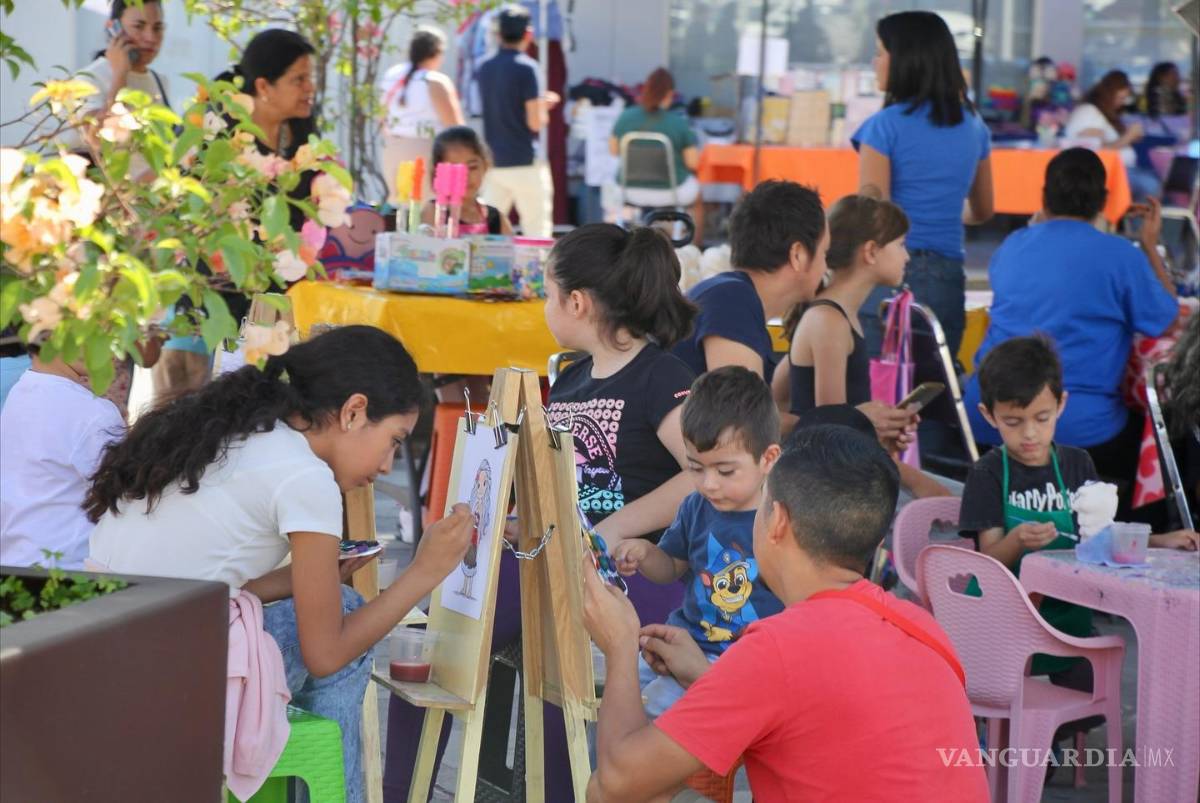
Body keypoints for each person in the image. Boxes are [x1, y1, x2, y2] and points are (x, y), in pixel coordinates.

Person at [86, 326, 474, 803]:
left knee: (320, 606)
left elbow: (198, 579)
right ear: (353, 412)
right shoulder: (305, 477)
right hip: (163, 678)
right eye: (394, 440)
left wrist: (294, 581)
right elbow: (326, 654)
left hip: (101, 655)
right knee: (346, 625)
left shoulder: (235, 429)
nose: (386, 463)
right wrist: (424, 573)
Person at [384, 223, 697, 801]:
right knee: (436, 649)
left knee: (535, 657)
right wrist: (517, 520)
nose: (545, 307)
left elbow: (702, 474)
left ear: (576, 302)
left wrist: (603, 531)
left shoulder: (662, 376)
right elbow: (556, 485)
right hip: (556, 563)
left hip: (631, 575)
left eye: (549, 294)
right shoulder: (572, 377)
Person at [581, 425, 989, 802]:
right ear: (876, 538)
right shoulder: (922, 627)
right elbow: (816, 723)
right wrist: (705, 679)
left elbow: (614, 786)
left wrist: (619, 646)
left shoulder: (777, 649)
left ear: (776, 520)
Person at [960, 337, 1196, 682]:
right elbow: (988, 562)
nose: (1030, 434)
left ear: (1061, 405)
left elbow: (1100, 540)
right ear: (989, 416)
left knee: (1094, 686)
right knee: (1022, 707)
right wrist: (1016, 541)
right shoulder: (987, 474)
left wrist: (1162, 541)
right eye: (1013, 421)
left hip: (1068, 617)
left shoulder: (1076, 464)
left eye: (1041, 418)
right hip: (1006, 626)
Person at [964, 149, 1178, 509]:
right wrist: (1150, 247)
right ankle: (1144, 538)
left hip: (988, 418)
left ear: (1044, 196)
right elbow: (1166, 319)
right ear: (1104, 202)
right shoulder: (1118, 254)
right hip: (1075, 429)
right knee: (1165, 434)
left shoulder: (1013, 245)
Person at [155, 29, 323, 402]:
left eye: (310, 78)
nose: (309, 88)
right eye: (298, 79)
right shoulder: (217, 137)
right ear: (264, 86)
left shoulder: (303, 138)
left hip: (275, 307)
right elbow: (186, 217)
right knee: (191, 420)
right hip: (211, 300)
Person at [612, 366, 783, 717]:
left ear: (767, 459)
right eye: (695, 467)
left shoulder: (781, 520)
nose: (709, 484)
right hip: (682, 641)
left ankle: (632, 768)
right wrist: (646, 553)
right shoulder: (695, 506)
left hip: (740, 664)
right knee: (617, 694)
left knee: (653, 713)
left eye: (724, 471)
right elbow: (671, 567)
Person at [773, 194, 947, 497]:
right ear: (871, 251)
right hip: (828, 486)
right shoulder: (829, 321)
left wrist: (882, 433)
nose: (907, 256)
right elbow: (834, 430)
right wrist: (918, 481)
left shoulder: (835, 316)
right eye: (901, 244)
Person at [854, 10, 994, 362]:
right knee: (934, 395)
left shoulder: (882, 127)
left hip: (890, 276)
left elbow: (874, 218)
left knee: (882, 398)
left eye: (880, 52)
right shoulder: (974, 125)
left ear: (904, 61)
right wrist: (940, 210)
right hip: (948, 277)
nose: (875, 62)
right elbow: (983, 210)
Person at [671, 180, 828, 387]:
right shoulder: (732, 302)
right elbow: (738, 416)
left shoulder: (732, 295)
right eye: (824, 253)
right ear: (797, 255)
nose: (825, 267)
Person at [0, 348, 125, 569]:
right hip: (72, 571)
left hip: (15, 564)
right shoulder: (93, 412)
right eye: (97, 333)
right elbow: (128, 499)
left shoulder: (21, 390)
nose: (114, 351)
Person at [475, 4, 558, 238]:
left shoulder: (485, 67)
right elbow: (535, 122)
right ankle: (537, 276)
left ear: (498, 34)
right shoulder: (528, 68)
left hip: (493, 160)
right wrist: (545, 107)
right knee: (537, 233)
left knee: (487, 232)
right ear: (528, 34)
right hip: (525, 160)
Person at [58, 0, 169, 157]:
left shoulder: (160, 81)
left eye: (157, 28)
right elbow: (98, 138)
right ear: (114, 28)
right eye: (139, 26)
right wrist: (120, 75)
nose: (151, 37)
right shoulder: (86, 81)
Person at [609, 68, 704, 243]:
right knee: (698, 197)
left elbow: (614, 151)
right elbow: (693, 162)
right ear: (670, 94)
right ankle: (694, 248)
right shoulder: (678, 123)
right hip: (671, 192)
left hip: (629, 191)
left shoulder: (626, 117)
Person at [380, 27, 464, 204]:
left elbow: (381, 117)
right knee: (427, 208)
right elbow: (456, 128)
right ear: (436, 52)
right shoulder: (435, 81)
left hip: (393, 149)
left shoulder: (392, 75)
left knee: (399, 205)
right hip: (426, 152)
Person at [1064, 70, 1158, 199]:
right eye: (1120, 98)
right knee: (1150, 186)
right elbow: (1096, 149)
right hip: (1107, 174)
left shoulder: (1101, 115)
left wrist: (1128, 138)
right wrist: (1128, 137)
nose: (1121, 103)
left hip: (1121, 170)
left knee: (1156, 179)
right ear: (1108, 94)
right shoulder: (1089, 113)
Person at [420, 126, 511, 234]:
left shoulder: (496, 219)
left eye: (472, 167)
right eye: (454, 170)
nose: (464, 176)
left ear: (485, 165)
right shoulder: (433, 212)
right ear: (438, 173)